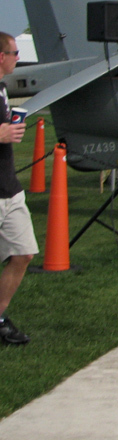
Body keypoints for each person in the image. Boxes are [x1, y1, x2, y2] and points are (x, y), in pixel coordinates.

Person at [0, 32, 35, 345]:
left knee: (23, 253)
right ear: (1, 56)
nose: (17, 58)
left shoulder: (2, 88)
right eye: (13, 53)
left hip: (9, 188)